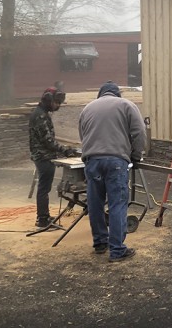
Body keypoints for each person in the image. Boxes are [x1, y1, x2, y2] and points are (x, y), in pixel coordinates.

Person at [79, 81, 146, 262]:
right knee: (117, 204)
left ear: (100, 94)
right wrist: (136, 155)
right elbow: (139, 131)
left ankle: (100, 243)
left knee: (95, 203)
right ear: (117, 94)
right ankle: (117, 250)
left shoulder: (88, 108)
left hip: (92, 161)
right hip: (116, 161)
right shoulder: (126, 105)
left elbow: (83, 135)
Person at [29, 87, 79, 229]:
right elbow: (48, 141)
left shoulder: (42, 113)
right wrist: (65, 150)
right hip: (43, 157)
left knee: (44, 187)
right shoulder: (40, 116)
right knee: (44, 188)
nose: (58, 106)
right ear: (48, 100)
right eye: (56, 103)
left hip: (44, 155)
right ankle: (43, 219)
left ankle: (44, 216)